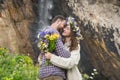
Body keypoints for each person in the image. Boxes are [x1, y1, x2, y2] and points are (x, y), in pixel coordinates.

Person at [38, 15, 71, 80]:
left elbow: (41, 54)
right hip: (54, 73)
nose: (63, 28)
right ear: (58, 21)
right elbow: (62, 53)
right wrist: (70, 54)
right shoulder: (54, 33)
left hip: (43, 73)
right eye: (63, 24)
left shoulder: (44, 32)